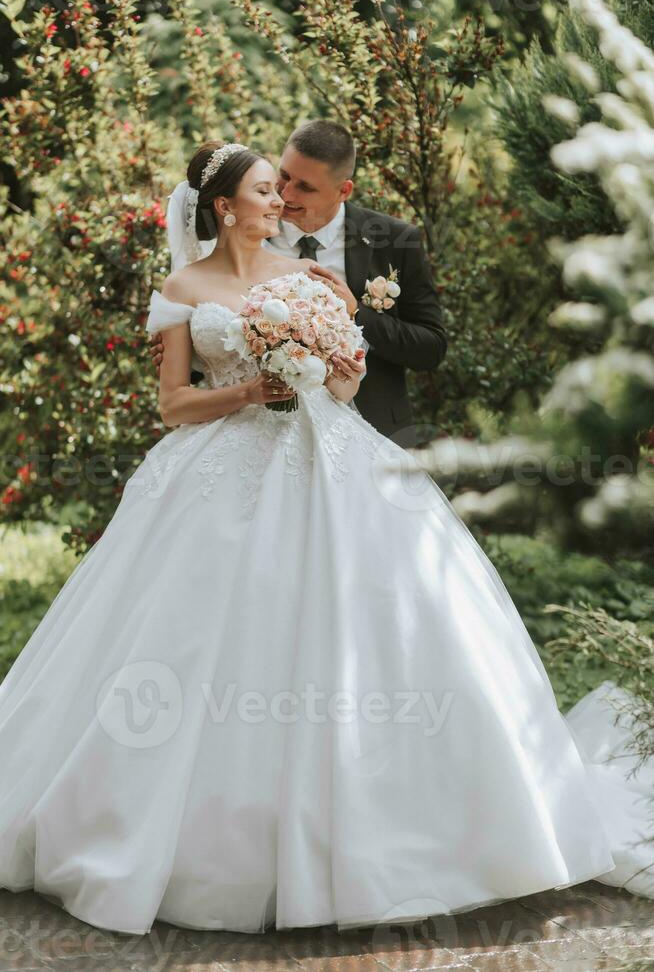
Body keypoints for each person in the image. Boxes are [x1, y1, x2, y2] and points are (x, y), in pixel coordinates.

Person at [0, 139, 651, 939]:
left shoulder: (309, 280)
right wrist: (250, 386)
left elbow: (344, 389)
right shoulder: (182, 287)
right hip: (220, 470)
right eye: (266, 192)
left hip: (335, 460)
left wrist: (328, 348)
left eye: (282, 190)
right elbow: (173, 404)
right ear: (223, 206)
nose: (280, 204)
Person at [148, 120, 448, 449]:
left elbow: (430, 347)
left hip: (356, 434)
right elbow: (187, 381)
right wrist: (185, 349)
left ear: (343, 191)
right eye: (282, 178)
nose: (284, 196)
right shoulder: (218, 258)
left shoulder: (391, 241)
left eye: (304, 187)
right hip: (234, 438)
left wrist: (357, 315)